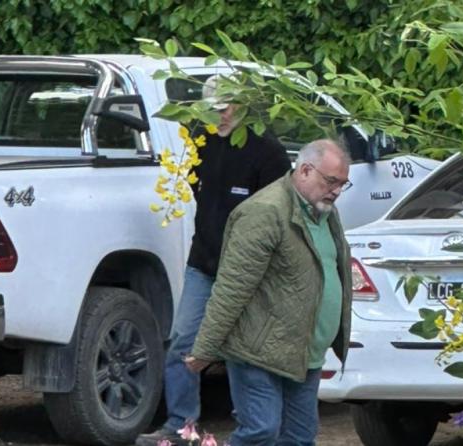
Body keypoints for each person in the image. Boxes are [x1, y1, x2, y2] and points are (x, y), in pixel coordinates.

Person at [136, 76, 291, 446]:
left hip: (248, 270)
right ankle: (180, 426)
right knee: (182, 342)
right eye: (213, 109)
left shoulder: (268, 152)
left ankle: (250, 426)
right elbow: (193, 187)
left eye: (226, 107)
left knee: (242, 349)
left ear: (242, 104)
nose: (220, 115)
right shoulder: (200, 140)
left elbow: (277, 217)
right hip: (203, 261)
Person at [185, 139, 354, 446]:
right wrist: (206, 347)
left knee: (300, 438)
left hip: (304, 352)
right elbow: (233, 286)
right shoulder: (265, 212)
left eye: (343, 184)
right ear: (304, 170)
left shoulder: (324, 211)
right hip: (257, 351)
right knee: (261, 431)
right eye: (331, 181)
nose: (337, 191)